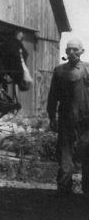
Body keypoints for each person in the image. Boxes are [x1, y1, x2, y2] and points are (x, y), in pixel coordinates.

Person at [47, 38, 89, 196]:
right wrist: (52, 116)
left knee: (87, 152)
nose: (71, 52)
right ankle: (64, 189)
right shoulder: (59, 71)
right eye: (69, 49)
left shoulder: (87, 70)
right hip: (66, 119)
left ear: (82, 52)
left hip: (86, 120)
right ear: (65, 52)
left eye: (75, 50)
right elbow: (53, 96)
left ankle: (87, 190)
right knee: (65, 154)